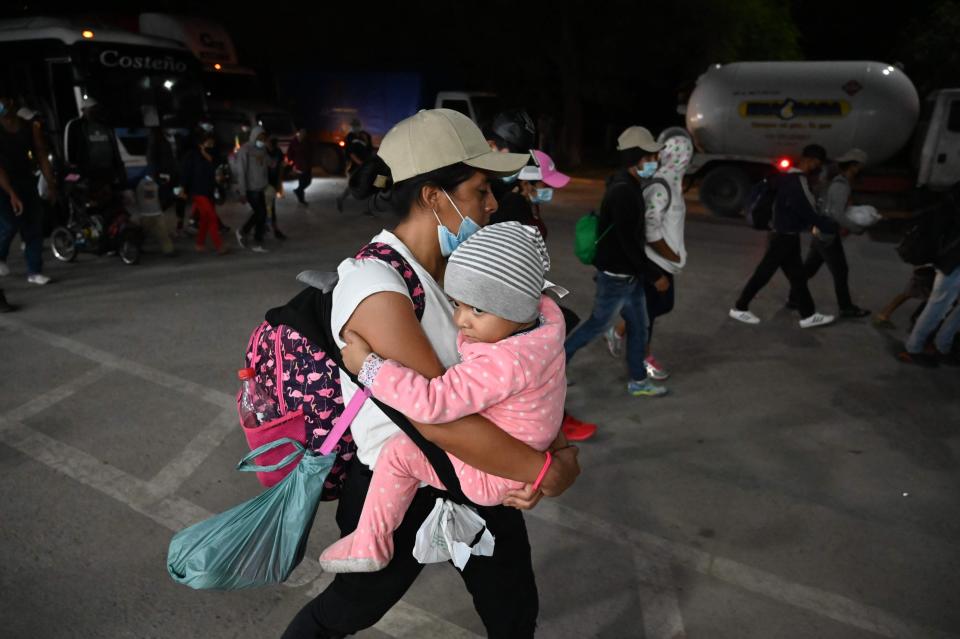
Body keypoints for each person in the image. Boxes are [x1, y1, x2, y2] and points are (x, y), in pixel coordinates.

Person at [282, 108, 580, 639]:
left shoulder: (467, 266)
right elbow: (437, 419)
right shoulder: (376, 286)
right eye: (480, 189)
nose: (492, 204)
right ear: (431, 196)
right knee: (348, 611)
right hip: (404, 486)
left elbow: (522, 367)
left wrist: (554, 447)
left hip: (481, 471)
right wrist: (544, 469)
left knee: (513, 609)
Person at [319, 221, 565, 573]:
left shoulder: (504, 361)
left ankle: (369, 542)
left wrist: (369, 367)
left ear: (517, 308)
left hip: (492, 471)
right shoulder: (543, 322)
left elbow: (433, 403)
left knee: (399, 454)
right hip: (521, 454)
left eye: (477, 310)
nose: (460, 320)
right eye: (456, 303)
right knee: (507, 587)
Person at [485, 111, 597, 440]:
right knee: (538, 356)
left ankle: (547, 416)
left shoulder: (517, 196)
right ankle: (547, 421)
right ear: (492, 145)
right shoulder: (493, 194)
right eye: (514, 154)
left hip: (521, 289)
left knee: (549, 345)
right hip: (503, 293)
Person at [564, 126, 669, 398]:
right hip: (616, 277)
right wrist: (654, 274)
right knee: (595, 326)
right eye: (649, 157)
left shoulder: (628, 184)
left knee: (639, 326)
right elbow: (628, 243)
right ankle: (552, 371)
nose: (653, 162)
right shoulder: (624, 191)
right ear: (636, 158)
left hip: (629, 276)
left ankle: (637, 381)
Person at [604, 133, 693, 381]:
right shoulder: (661, 185)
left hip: (664, 261)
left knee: (660, 306)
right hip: (655, 260)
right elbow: (651, 231)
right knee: (649, 312)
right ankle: (643, 358)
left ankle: (619, 331)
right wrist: (672, 256)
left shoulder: (672, 183)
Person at [729, 144, 839, 329]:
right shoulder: (798, 181)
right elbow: (807, 211)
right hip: (783, 237)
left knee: (797, 277)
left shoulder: (785, 177)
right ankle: (740, 307)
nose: (817, 168)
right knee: (764, 273)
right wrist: (829, 226)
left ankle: (808, 315)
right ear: (811, 161)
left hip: (783, 234)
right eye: (817, 163)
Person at [787, 148, 871, 318]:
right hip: (827, 234)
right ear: (854, 166)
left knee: (809, 268)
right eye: (860, 166)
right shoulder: (841, 185)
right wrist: (856, 228)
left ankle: (793, 298)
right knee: (840, 271)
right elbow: (836, 213)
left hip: (821, 232)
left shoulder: (836, 181)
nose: (861, 169)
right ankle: (845, 307)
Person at [898, 184, 960, 366]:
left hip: (949, 258)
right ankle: (915, 347)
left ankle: (942, 344)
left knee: (940, 304)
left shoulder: (954, 191)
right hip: (952, 260)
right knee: (938, 305)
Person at [0, 94, 57, 286]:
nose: (4, 106)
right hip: (2, 183)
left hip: (25, 180)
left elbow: (41, 154)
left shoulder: (28, 128)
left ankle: (34, 271)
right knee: (9, 224)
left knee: (33, 226)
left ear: (12, 102)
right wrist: (11, 193)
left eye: (5, 101)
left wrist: (50, 182)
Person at [180, 132, 229, 255]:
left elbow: (217, 173)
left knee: (205, 219)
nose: (211, 144)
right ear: (201, 142)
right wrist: (183, 189)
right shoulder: (192, 156)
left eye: (212, 142)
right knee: (211, 217)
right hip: (198, 191)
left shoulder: (212, 155)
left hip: (209, 190)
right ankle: (219, 246)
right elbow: (186, 173)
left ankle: (199, 244)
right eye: (209, 142)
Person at [64, 97, 125, 191]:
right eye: (91, 109)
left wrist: (119, 171)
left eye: (96, 109)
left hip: (107, 171)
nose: (94, 111)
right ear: (83, 110)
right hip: (87, 172)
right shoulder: (75, 126)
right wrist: (74, 168)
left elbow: (114, 149)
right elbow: (70, 148)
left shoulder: (105, 125)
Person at [234, 126, 275, 253]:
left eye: (264, 138)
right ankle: (243, 231)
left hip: (261, 187)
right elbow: (241, 171)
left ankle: (258, 236)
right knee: (260, 212)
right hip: (251, 188)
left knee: (261, 213)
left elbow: (270, 164)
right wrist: (242, 191)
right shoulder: (245, 150)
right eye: (260, 138)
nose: (262, 140)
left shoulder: (262, 149)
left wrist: (269, 150)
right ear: (254, 136)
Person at [516, 148, 570, 240]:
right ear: (525, 184)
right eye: (547, 185)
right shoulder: (513, 215)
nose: (550, 189)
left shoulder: (530, 206)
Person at [873, 265, 935, 330]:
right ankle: (918, 324)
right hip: (930, 271)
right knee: (932, 297)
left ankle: (883, 315)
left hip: (923, 268)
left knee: (909, 292)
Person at [132, 173, 175, 257]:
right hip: (154, 213)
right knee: (161, 233)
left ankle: (168, 250)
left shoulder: (138, 182)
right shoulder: (156, 182)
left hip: (147, 214)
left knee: (146, 234)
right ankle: (168, 251)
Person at [335, 118, 373, 212]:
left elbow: (370, 150)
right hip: (354, 166)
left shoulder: (365, 135)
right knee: (353, 186)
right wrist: (360, 163)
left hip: (366, 165)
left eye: (357, 126)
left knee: (370, 185)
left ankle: (369, 209)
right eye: (353, 126)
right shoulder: (349, 137)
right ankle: (341, 198)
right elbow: (350, 154)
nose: (355, 128)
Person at [264, 136, 287, 240]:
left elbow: (281, 167)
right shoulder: (262, 151)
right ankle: (268, 227)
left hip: (272, 184)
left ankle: (273, 228)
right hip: (262, 184)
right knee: (265, 208)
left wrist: (279, 183)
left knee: (271, 208)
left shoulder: (277, 152)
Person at [288, 127, 313, 206]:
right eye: (302, 132)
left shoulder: (307, 141)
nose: (303, 134)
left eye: (304, 132)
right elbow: (290, 152)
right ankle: (301, 199)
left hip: (307, 164)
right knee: (302, 181)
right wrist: (292, 163)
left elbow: (311, 152)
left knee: (308, 181)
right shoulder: (294, 141)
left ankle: (298, 191)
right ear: (299, 132)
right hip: (299, 165)